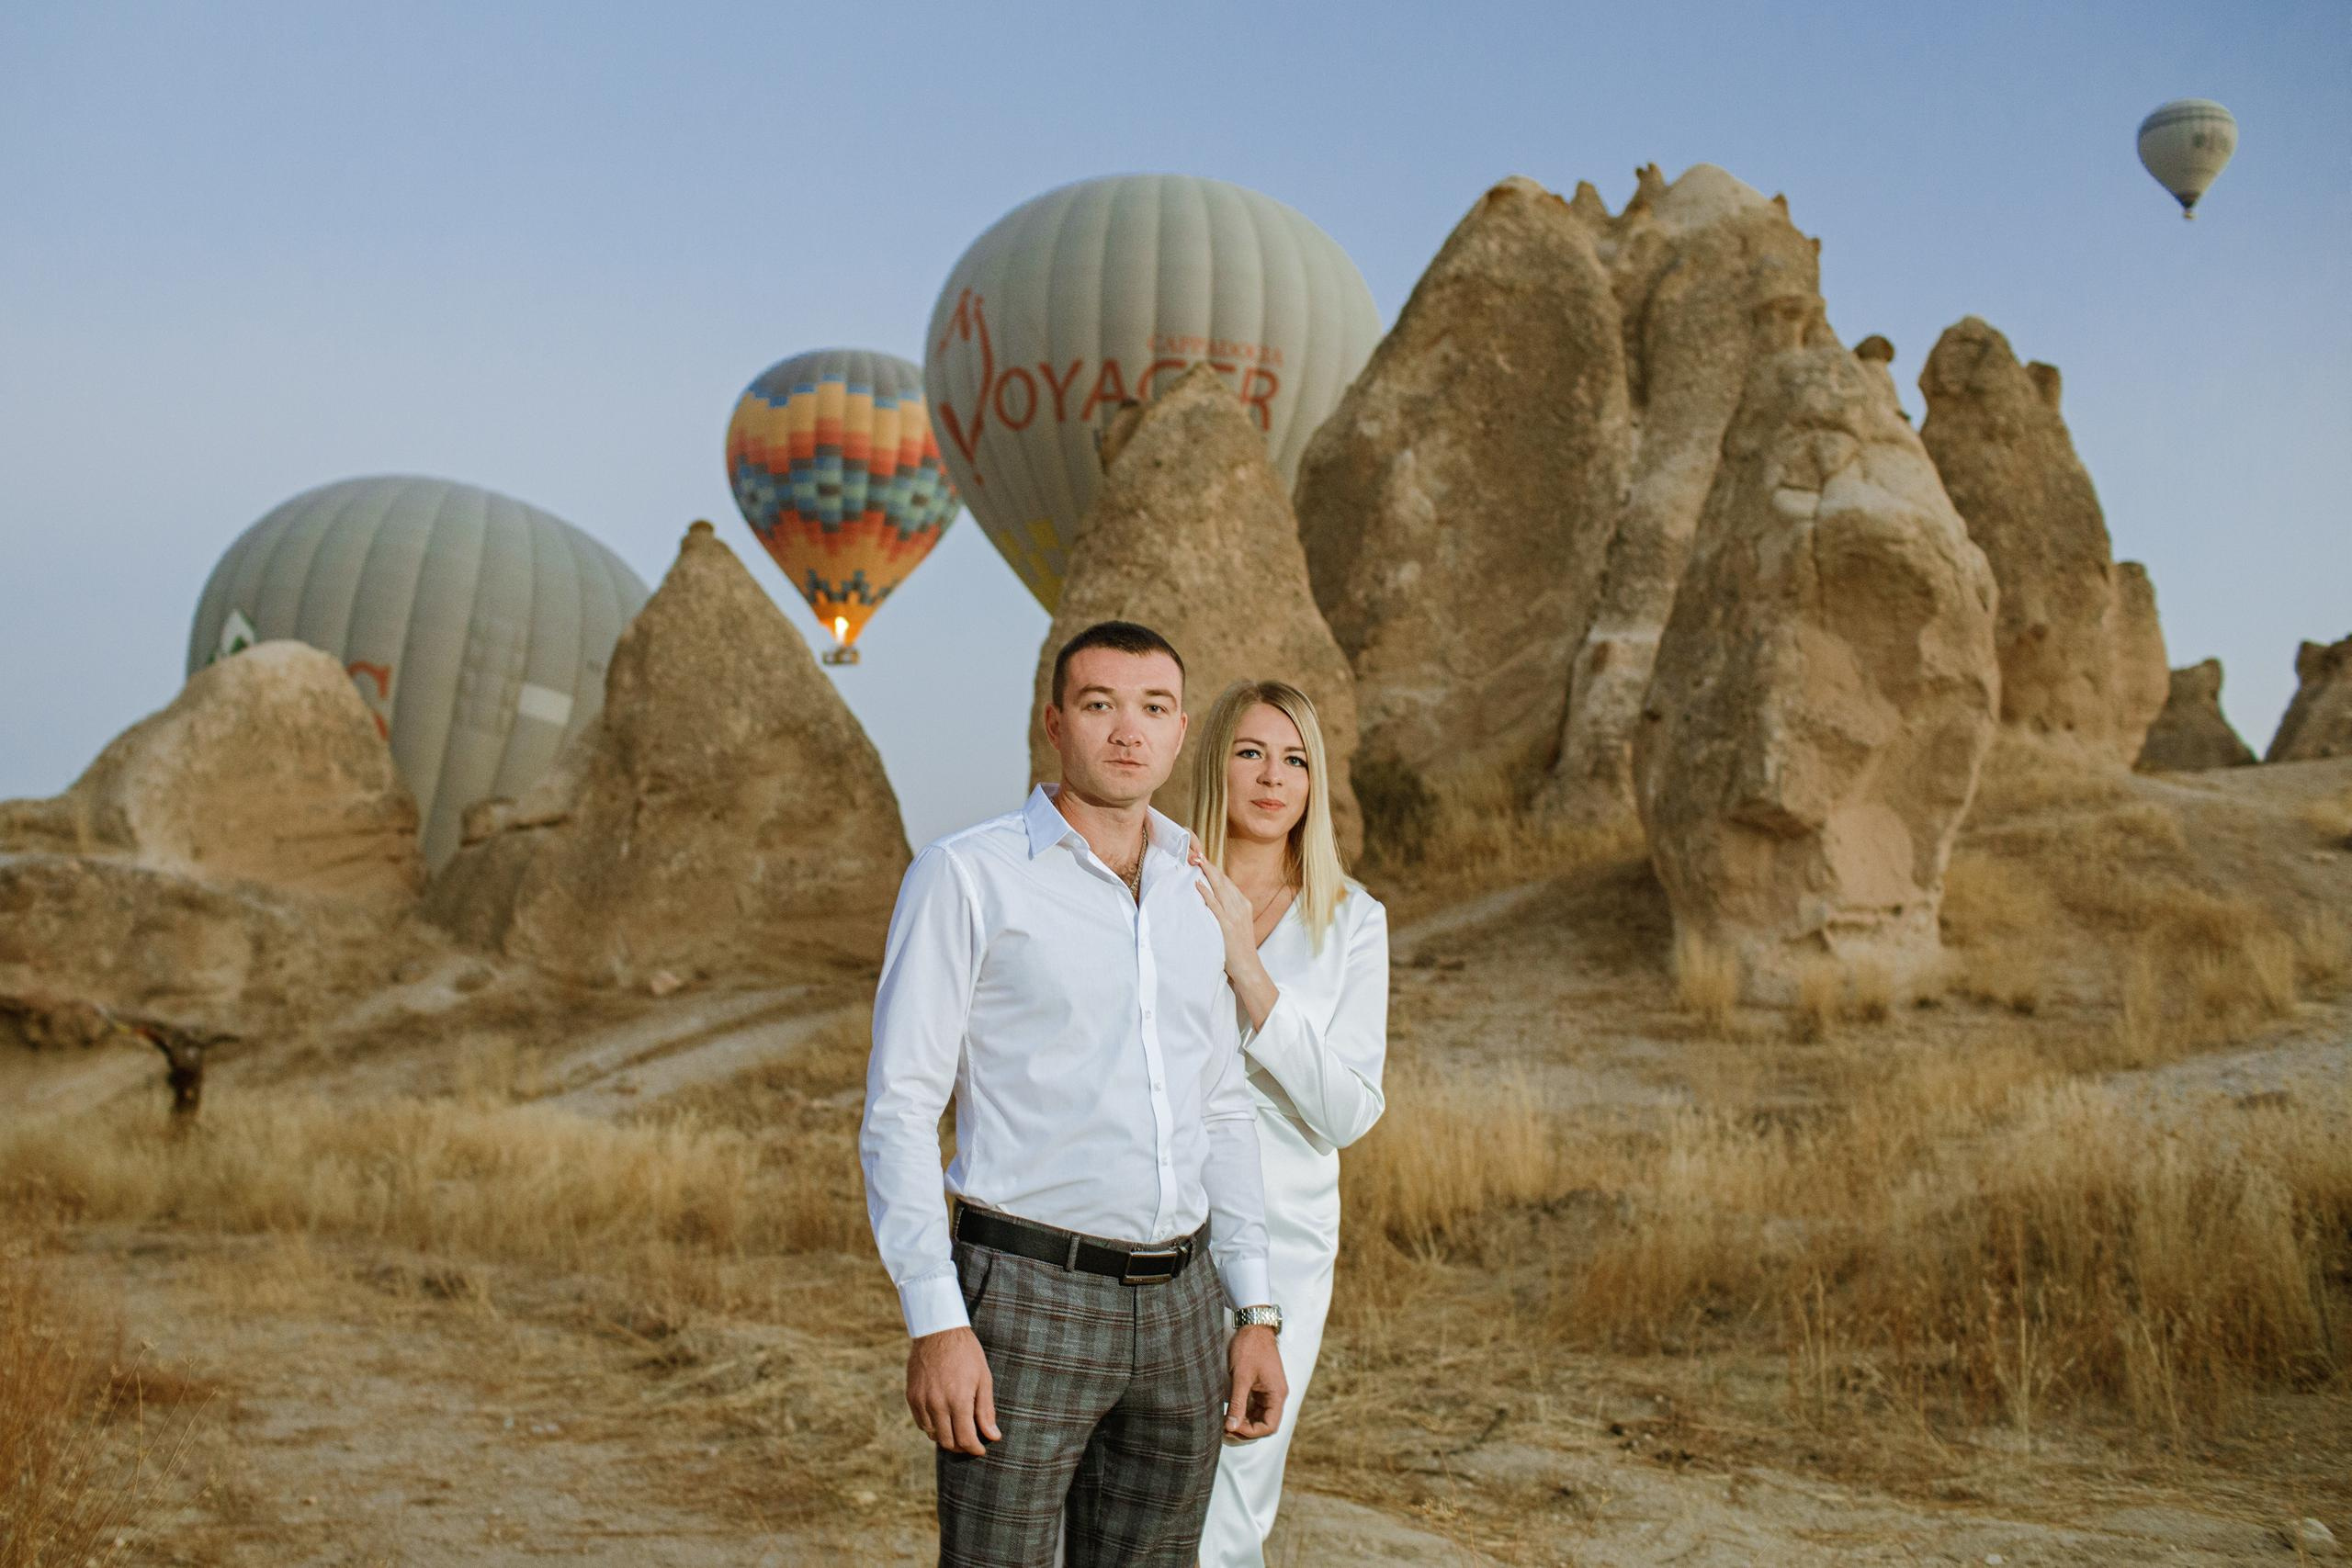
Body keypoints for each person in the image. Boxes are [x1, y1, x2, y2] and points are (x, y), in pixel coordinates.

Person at [858, 620, 1290, 1568]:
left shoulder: (1196, 887)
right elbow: (897, 1111)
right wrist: (936, 1319)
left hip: (1184, 1304)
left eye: (1154, 709)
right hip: (1022, 1296)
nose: (1127, 731)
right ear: (1054, 723)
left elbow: (1221, 1106)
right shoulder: (968, 877)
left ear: (1181, 735)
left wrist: (1253, 1314)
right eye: (1100, 706)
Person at [1184, 680, 1390, 1567]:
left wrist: (1250, 976)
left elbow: (1347, 1108)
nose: (1274, 778)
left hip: (1285, 1236)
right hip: (1154, 1218)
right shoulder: (1158, 886)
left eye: (1297, 759)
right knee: (1134, 1483)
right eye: (1251, 753)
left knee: (1236, 1484)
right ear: (1214, 764)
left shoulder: (1350, 920)